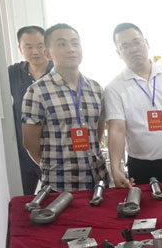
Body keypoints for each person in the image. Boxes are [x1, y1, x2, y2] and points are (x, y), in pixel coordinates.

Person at [104, 23, 162, 187]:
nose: (133, 49)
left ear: (146, 43)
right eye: (125, 46)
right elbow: (117, 129)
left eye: (137, 42)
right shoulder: (115, 88)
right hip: (143, 169)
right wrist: (115, 168)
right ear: (118, 53)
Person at [22, 23, 109, 191]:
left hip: (98, 180)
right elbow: (30, 142)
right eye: (62, 44)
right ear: (47, 53)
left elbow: (98, 131)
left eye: (75, 43)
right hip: (60, 184)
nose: (71, 49)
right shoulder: (37, 91)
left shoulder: (96, 88)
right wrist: (52, 166)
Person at [8, 25, 52, 194]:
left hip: (54, 153)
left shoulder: (59, 72)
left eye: (40, 46)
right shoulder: (13, 73)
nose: (35, 52)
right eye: (28, 47)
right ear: (20, 48)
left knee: (57, 200)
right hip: (23, 154)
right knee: (21, 200)